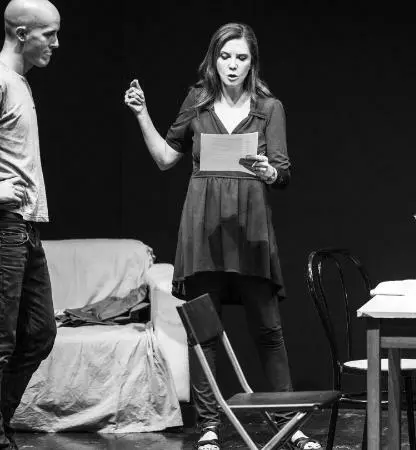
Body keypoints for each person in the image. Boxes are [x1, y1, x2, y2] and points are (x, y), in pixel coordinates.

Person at [124, 22, 320, 450]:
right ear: (213, 60)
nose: (232, 65)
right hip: (203, 228)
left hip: (250, 229)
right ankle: (209, 427)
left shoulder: (269, 107)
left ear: (252, 63)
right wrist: (141, 113)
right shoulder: (197, 102)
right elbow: (165, 158)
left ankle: (289, 426)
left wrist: (268, 171)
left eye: (241, 57)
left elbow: (282, 171)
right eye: (225, 56)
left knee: (268, 330)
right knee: (204, 333)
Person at [0, 0, 59, 449]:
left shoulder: (18, 81)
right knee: (2, 341)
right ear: (22, 34)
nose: (56, 43)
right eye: (49, 34)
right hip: (4, 226)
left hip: (25, 228)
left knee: (39, 333)